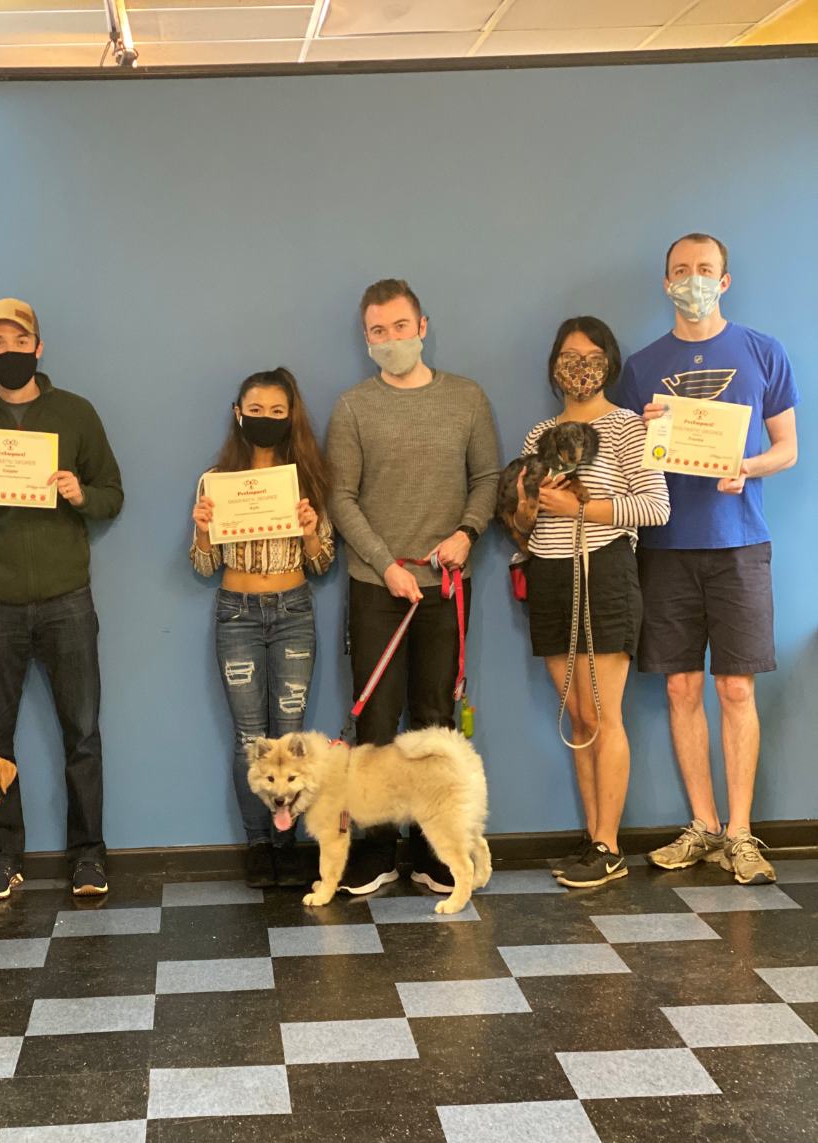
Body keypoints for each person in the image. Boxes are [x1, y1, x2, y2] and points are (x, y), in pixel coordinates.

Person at [619, 234, 799, 884]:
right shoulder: (641, 366)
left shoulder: (763, 351)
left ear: (724, 280)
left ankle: (741, 834)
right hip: (664, 547)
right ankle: (703, 825)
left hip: (740, 545)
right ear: (665, 281)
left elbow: (788, 448)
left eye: (704, 269)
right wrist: (647, 435)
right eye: (680, 270)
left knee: (737, 687)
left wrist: (747, 467)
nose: (691, 279)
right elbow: (628, 458)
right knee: (680, 687)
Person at [326, 278, 500, 895]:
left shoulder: (467, 398)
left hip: (447, 586)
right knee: (376, 720)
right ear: (366, 338)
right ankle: (376, 850)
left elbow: (487, 479)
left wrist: (466, 534)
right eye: (378, 331)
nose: (391, 339)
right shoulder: (352, 408)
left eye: (400, 327)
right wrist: (386, 566)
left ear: (422, 327)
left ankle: (433, 848)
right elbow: (340, 498)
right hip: (378, 586)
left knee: (434, 718)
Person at [0, 299, 124, 899]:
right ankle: (2, 857)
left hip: (67, 599)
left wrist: (81, 494)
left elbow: (112, 494)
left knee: (83, 734)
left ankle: (89, 855)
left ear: (39, 347)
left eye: (20, 341)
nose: (9, 351)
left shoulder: (75, 412)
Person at [512, 318, 669, 888]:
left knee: (604, 714)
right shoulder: (540, 433)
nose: (579, 366)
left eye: (591, 356)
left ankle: (610, 844)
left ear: (609, 363)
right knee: (578, 716)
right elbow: (524, 522)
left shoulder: (627, 426)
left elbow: (654, 508)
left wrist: (581, 506)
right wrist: (527, 506)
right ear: (554, 364)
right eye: (569, 356)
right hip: (548, 573)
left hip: (604, 570)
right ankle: (591, 835)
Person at [191, 367, 334, 888]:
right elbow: (203, 566)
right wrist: (203, 531)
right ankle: (258, 845)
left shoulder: (306, 478)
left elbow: (323, 563)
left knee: (290, 738)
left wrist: (311, 531)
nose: (265, 418)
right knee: (250, 738)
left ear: (291, 416)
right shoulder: (215, 481)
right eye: (255, 410)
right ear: (238, 414)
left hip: (294, 611)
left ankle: (286, 843)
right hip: (237, 613)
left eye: (277, 411)